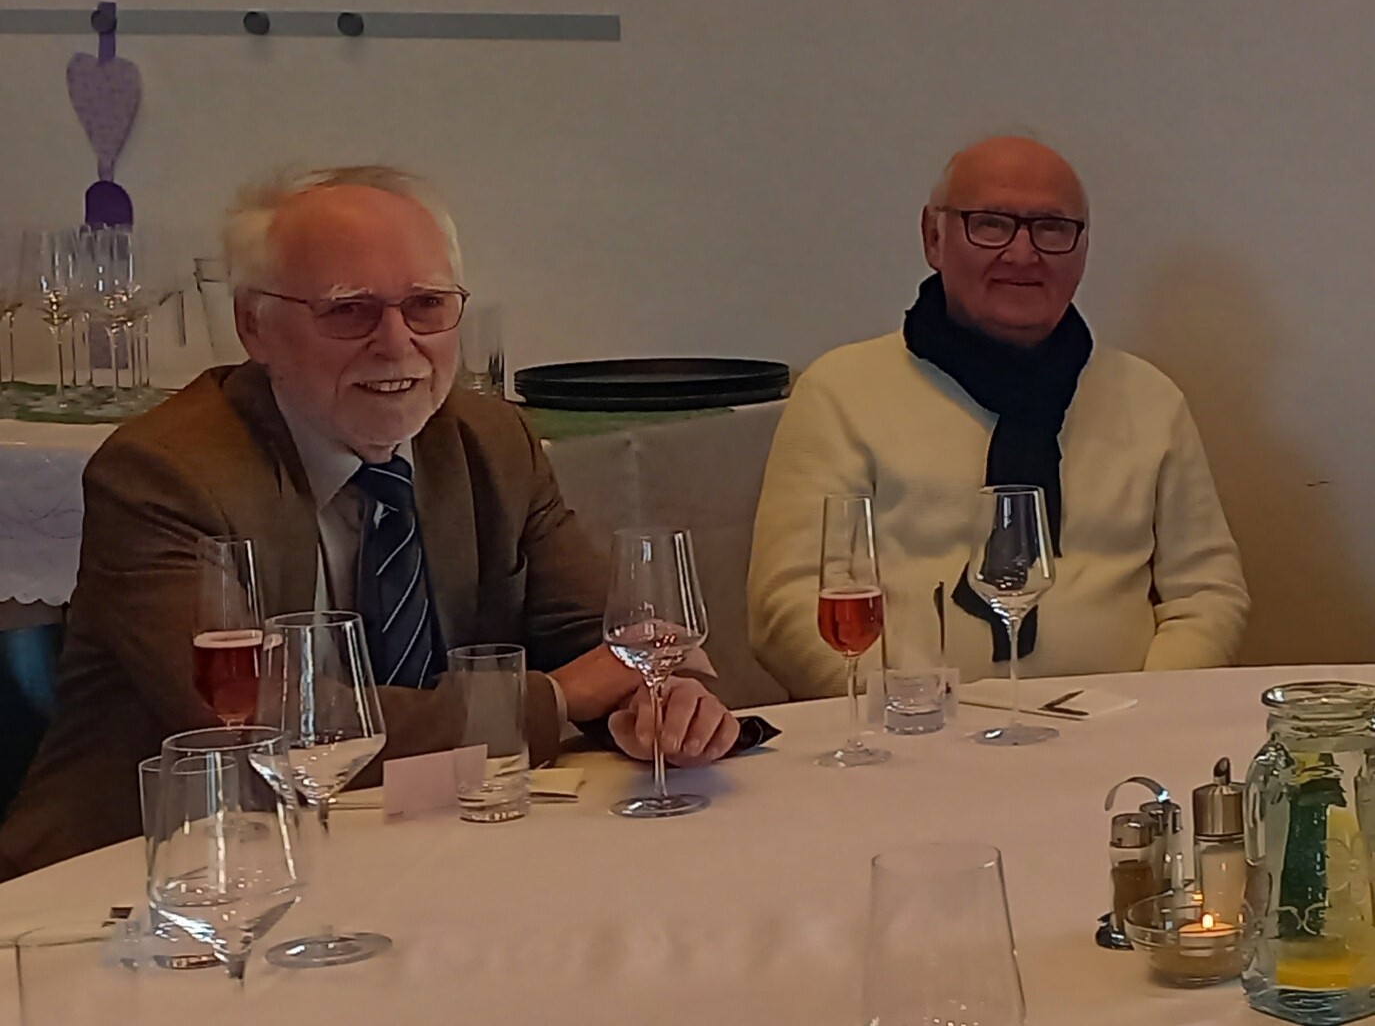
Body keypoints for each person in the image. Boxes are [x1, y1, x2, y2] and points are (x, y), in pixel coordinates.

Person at [0, 166, 740, 879]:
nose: (395, 343)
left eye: (427, 304)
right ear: (254, 326)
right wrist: (558, 698)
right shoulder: (164, 474)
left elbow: (610, 639)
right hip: (160, 879)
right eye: (348, 310)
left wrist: (664, 700)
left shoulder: (491, 443)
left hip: (433, 850)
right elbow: (263, 722)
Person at [749, 136, 1249, 698]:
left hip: (1121, 730)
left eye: (1052, 228)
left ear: (1083, 248)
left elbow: (1207, 595)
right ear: (933, 237)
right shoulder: (841, 392)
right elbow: (788, 605)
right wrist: (906, 715)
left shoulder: (1151, 399)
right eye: (990, 224)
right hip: (908, 731)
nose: (1022, 254)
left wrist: (1151, 712)